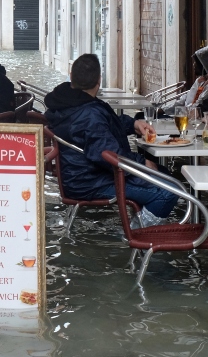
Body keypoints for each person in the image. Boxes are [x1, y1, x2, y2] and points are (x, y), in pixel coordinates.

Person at [45, 54, 175, 227]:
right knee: (169, 192)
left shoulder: (68, 103)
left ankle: (141, 221)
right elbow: (107, 153)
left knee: (164, 174)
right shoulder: (89, 112)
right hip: (91, 181)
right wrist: (142, 162)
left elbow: (102, 129)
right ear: (99, 80)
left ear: (71, 77)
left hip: (79, 176)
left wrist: (133, 124)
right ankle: (134, 235)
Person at [182, 45, 208, 116]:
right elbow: (189, 101)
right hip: (189, 114)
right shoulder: (201, 81)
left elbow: (198, 105)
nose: (193, 65)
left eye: (197, 62)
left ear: (204, 64)